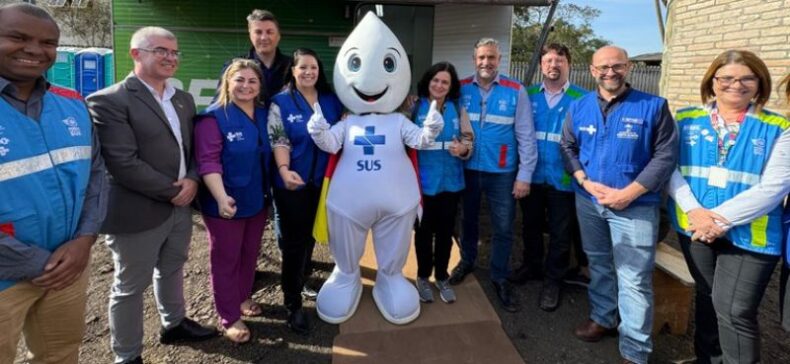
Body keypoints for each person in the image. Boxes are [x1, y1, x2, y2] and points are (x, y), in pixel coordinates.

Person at [87, 26, 216, 364]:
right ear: (136, 54)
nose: (170, 58)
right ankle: (127, 356)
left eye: (174, 52)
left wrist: (192, 180)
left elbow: (192, 149)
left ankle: (173, 324)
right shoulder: (110, 100)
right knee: (129, 287)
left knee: (172, 268)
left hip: (181, 205)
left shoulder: (182, 99)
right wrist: (175, 190)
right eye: (161, 51)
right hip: (138, 211)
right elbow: (123, 163)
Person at [0, 4, 108, 363]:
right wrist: (33, 261)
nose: (34, 49)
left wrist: (84, 240)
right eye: (17, 37)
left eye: (48, 42)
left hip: (68, 266)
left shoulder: (72, 104)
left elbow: (96, 176)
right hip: (7, 274)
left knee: (61, 353)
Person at [667, 50, 790, 363]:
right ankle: (708, 358)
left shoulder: (778, 127)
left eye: (747, 78)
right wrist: (695, 213)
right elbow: (669, 168)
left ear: (759, 82)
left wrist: (718, 220)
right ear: (713, 81)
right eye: (727, 78)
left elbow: (774, 187)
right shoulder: (686, 118)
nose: (736, 84)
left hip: (751, 236)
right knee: (708, 298)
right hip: (694, 226)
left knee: (734, 311)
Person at [560, 45, 678, 364]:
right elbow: (568, 146)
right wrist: (583, 180)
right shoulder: (580, 106)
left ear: (628, 68)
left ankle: (635, 349)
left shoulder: (653, 107)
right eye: (603, 67)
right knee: (598, 264)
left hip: (635, 206)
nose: (610, 72)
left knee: (634, 279)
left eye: (617, 66)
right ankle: (603, 317)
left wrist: (630, 193)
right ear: (592, 69)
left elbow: (665, 156)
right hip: (589, 201)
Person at [448, 37, 537, 314]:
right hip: (468, 169)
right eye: (481, 58)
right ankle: (467, 261)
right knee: (468, 220)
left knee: (503, 226)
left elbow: (526, 136)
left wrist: (525, 175)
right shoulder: (460, 88)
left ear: (500, 60)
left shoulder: (515, 90)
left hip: (502, 173)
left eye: (491, 58)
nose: (486, 62)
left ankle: (499, 276)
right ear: (474, 59)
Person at [194, 59, 271, 343]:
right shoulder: (213, 118)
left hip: (257, 199)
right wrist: (221, 197)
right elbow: (208, 162)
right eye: (239, 80)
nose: (246, 86)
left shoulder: (263, 115)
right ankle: (229, 315)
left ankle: (242, 298)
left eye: (252, 81)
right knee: (226, 259)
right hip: (225, 204)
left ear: (260, 86)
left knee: (249, 254)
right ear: (227, 81)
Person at [267, 48, 342, 333]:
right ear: (293, 71)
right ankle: (292, 304)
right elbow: (279, 139)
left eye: (313, 67)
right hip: (293, 185)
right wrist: (284, 170)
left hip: (324, 184)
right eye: (303, 68)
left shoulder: (331, 100)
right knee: (294, 244)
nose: (309, 72)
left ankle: (302, 279)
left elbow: (345, 127)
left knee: (313, 237)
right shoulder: (281, 103)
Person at [508, 43, 587, 312]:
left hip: (564, 179)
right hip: (530, 175)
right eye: (549, 60)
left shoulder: (582, 98)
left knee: (560, 232)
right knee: (529, 225)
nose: (554, 65)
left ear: (568, 64)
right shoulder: (526, 95)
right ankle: (532, 266)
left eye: (560, 60)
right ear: (542, 65)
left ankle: (554, 279)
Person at [411, 62, 474, 304]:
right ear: (428, 81)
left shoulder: (458, 108)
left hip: (451, 182)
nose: (439, 85)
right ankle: (422, 277)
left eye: (444, 82)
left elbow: (469, 139)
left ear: (451, 86)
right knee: (424, 233)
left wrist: (464, 149)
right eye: (435, 80)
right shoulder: (415, 106)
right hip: (423, 184)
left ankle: (441, 276)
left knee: (447, 233)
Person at [219, 9, 292, 103]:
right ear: (250, 35)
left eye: (269, 32)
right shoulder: (232, 67)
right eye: (258, 32)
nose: (264, 37)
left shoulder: (294, 67)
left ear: (278, 36)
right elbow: (220, 102)